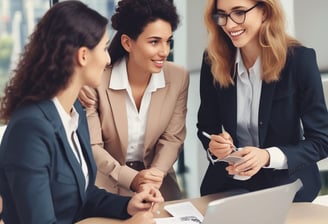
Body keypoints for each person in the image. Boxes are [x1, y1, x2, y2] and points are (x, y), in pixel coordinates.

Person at [0, 1, 163, 224]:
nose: (108, 59)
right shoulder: (30, 129)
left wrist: (128, 204)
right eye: (104, 48)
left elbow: (83, 195)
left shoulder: (75, 111)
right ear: (83, 55)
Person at [197, 0, 328, 202]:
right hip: (228, 186)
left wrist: (266, 157)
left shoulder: (299, 61)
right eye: (221, 15)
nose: (229, 25)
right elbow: (206, 128)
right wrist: (215, 148)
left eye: (239, 12)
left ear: (265, 12)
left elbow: (321, 140)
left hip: (287, 188)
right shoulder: (213, 61)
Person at [78, 0, 189, 201]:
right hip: (105, 191)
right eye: (154, 42)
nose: (164, 51)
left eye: (168, 41)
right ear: (128, 43)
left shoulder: (178, 77)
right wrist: (132, 179)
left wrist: (155, 175)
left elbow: (173, 138)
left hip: (159, 189)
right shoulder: (96, 82)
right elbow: (93, 146)